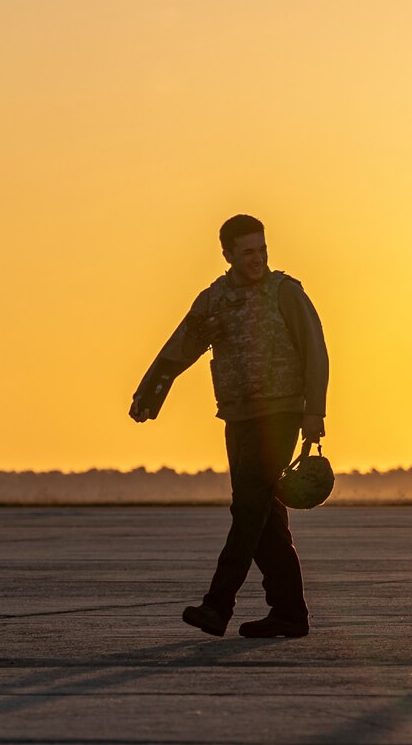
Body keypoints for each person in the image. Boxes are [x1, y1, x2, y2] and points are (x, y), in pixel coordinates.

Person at [131, 214, 328, 638]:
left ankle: (217, 605)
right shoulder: (215, 299)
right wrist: (151, 391)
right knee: (264, 517)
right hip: (237, 415)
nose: (257, 259)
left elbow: (316, 352)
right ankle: (290, 613)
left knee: (249, 509)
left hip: (281, 414)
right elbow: (182, 344)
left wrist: (316, 413)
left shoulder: (286, 293)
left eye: (262, 249)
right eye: (247, 252)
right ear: (227, 255)